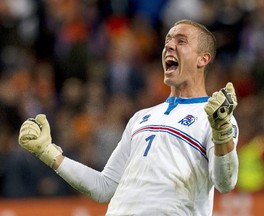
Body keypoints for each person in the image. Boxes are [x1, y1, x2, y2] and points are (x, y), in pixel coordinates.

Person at [18, 19, 239, 216]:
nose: (169, 46)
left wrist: (221, 131)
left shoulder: (214, 116)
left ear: (203, 59)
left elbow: (225, 183)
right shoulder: (141, 117)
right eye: (167, 41)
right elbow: (104, 187)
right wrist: (48, 152)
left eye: (181, 41)